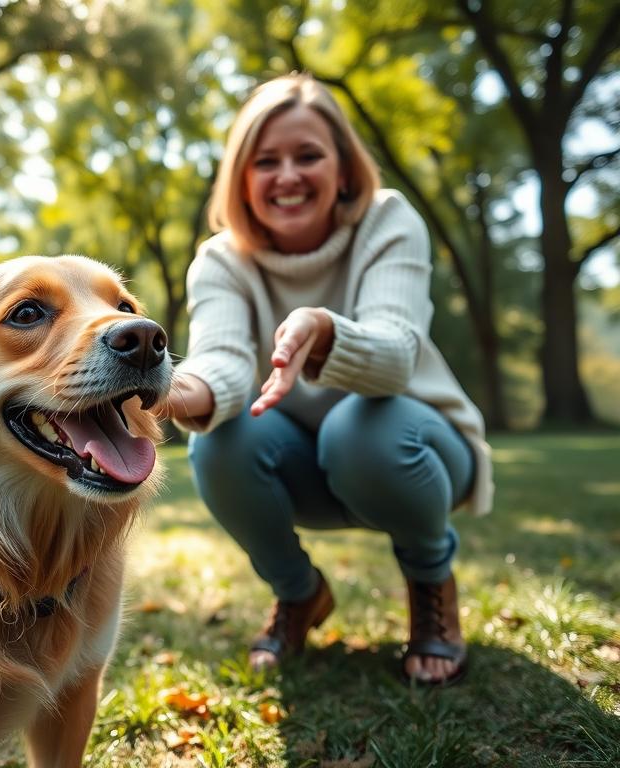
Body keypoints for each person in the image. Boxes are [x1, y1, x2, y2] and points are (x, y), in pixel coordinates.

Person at [156, 73, 493, 685]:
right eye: (266, 161)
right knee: (219, 441)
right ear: (242, 178)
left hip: (418, 452)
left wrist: (325, 331)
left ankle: (430, 584)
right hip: (303, 466)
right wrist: (171, 391)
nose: (287, 176)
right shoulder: (221, 260)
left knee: (359, 427)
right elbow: (221, 358)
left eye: (308, 155)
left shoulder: (388, 220)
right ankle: (299, 593)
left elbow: (396, 357)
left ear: (343, 169)